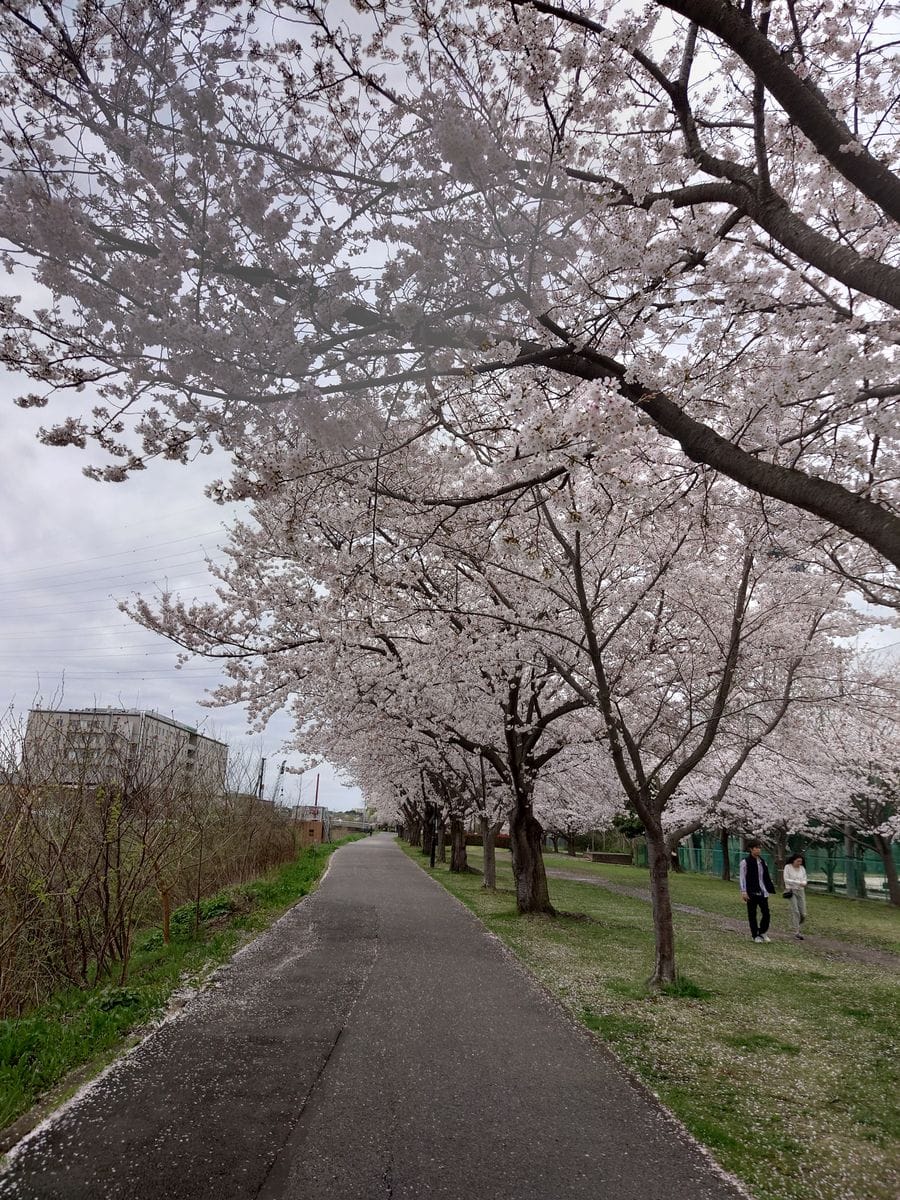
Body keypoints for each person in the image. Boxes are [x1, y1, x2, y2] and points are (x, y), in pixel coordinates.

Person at [739, 840, 775, 943]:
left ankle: (762, 931)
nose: (758, 850)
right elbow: (742, 877)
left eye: (759, 848)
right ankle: (755, 935)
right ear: (751, 849)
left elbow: (765, 876)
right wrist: (743, 891)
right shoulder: (745, 862)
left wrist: (768, 888)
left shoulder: (763, 862)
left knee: (766, 913)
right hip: (751, 891)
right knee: (752, 914)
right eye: (756, 848)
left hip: (762, 891)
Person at [783, 852, 808, 939]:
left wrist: (803, 883)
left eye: (800, 861)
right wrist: (798, 882)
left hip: (801, 891)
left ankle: (796, 924)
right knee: (795, 911)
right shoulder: (788, 867)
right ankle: (797, 931)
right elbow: (786, 879)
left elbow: (805, 879)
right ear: (793, 861)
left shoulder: (802, 868)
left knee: (803, 913)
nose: (799, 863)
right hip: (791, 891)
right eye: (798, 861)